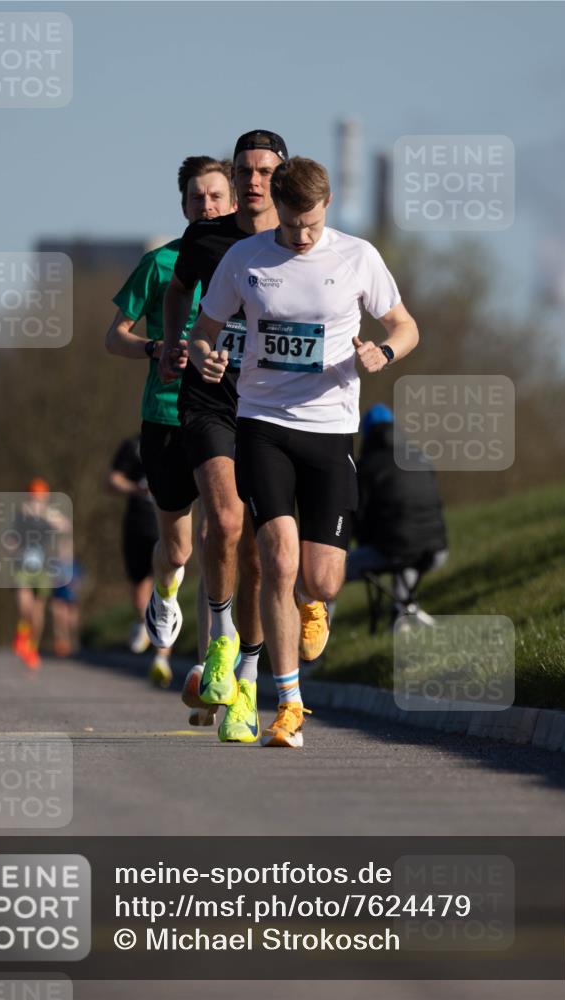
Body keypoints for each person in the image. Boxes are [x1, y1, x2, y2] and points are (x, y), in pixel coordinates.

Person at [188, 156, 420, 747]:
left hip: (331, 430)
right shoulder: (246, 258)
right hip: (262, 423)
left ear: (327, 205)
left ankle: (313, 603)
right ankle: (288, 704)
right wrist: (207, 355)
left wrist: (385, 354)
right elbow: (205, 329)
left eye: (312, 225)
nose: (303, 237)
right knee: (277, 557)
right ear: (278, 211)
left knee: (321, 579)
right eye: (292, 226)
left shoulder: (357, 257)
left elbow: (403, 324)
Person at [161, 130, 310, 745]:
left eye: (263, 171)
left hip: (268, 409)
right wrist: (181, 344)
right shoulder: (207, 237)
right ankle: (220, 645)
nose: (252, 182)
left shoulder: (303, 241)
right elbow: (177, 292)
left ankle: (248, 680)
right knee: (220, 524)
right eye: (244, 170)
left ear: (282, 177)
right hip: (209, 399)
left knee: (255, 553)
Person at [106, 157, 234, 716]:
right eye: (195, 199)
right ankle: (164, 592)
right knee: (179, 548)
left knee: (219, 544)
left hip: (224, 415)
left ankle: (211, 684)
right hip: (163, 415)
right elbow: (115, 337)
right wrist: (156, 350)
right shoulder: (160, 264)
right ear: (183, 207)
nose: (205, 206)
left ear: (232, 201)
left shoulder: (250, 260)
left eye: (214, 197)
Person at [346, 403, 448, 626]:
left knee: (326, 573)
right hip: (437, 551)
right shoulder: (421, 457)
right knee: (407, 547)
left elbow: (357, 518)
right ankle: (404, 614)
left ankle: (313, 648)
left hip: (394, 551)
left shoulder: (366, 467)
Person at [106, 436, 172, 687]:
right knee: (139, 587)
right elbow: (112, 480)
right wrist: (136, 489)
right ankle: (144, 622)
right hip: (136, 524)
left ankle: (162, 658)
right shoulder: (133, 445)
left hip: (165, 525)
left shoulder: (181, 440)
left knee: (168, 589)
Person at [11, 478, 72, 670]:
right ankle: (22, 632)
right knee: (24, 603)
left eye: (40, 495)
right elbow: (11, 538)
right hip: (22, 565)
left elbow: (65, 527)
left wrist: (47, 516)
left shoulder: (50, 513)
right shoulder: (20, 514)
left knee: (38, 610)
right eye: (33, 494)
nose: (36, 498)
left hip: (44, 567)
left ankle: (31, 647)